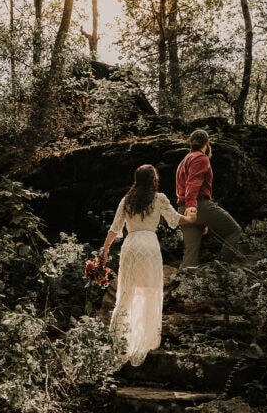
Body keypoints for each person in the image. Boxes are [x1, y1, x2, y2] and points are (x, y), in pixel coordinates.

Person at [100, 164, 195, 367]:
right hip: (150, 246)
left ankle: (119, 338)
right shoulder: (159, 198)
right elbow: (175, 220)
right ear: (153, 180)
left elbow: (115, 228)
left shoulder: (127, 200)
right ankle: (145, 337)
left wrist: (105, 250)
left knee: (127, 291)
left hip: (131, 246)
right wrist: (193, 219)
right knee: (150, 291)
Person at [175, 129, 242, 268]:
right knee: (234, 231)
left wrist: (198, 216)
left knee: (190, 251)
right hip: (197, 205)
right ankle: (223, 271)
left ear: (190, 144)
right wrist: (192, 207)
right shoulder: (201, 158)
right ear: (207, 143)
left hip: (183, 208)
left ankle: (184, 283)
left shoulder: (183, 161)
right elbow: (193, 182)